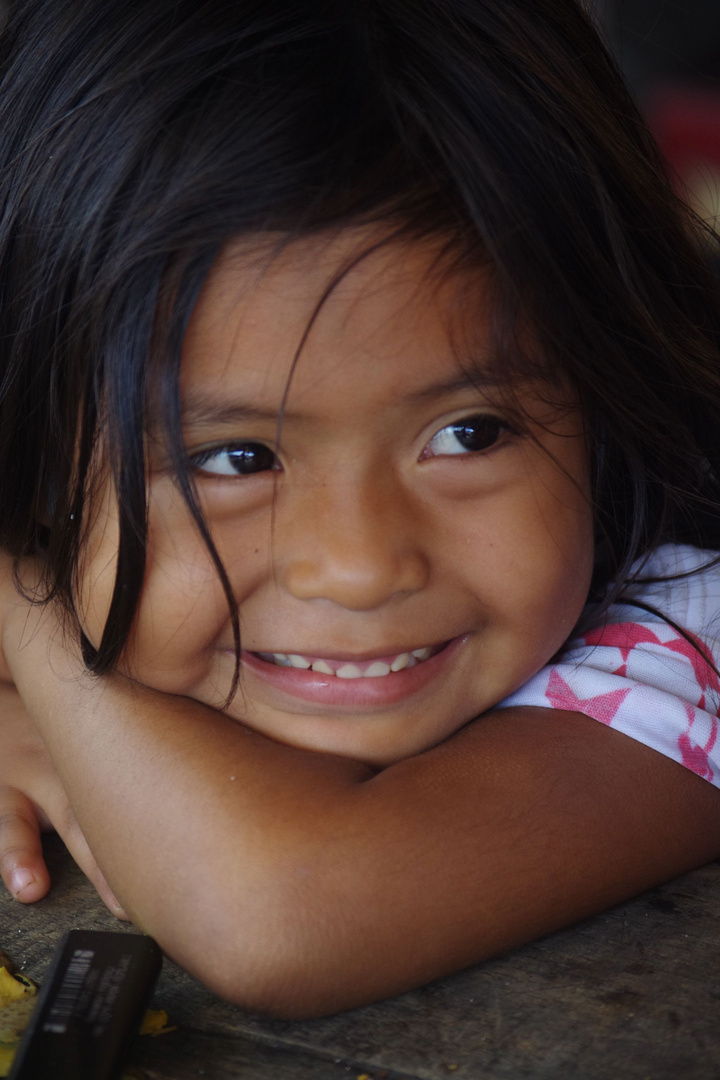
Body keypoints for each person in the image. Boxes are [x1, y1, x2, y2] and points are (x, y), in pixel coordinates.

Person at [0, 0, 719, 1020]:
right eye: (237, 457)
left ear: (607, 388)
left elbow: (285, 916)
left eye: (471, 434)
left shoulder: (687, 617)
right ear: (33, 452)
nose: (360, 565)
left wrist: (29, 611)